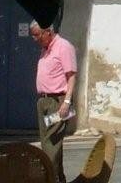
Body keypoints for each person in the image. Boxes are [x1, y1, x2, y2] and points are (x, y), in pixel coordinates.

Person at [30, 20, 77, 183]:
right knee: (50, 143)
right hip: (44, 101)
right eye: (33, 36)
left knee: (50, 146)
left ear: (47, 32)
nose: (35, 39)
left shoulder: (63, 46)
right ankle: (58, 178)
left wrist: (67, 102)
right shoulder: (46, 49)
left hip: (58, 102)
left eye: (37, 35)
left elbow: (71, 76)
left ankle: (48, 178)